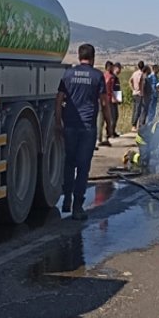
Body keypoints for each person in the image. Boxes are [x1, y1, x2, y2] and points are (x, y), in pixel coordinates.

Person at [56, 43, 108, 220]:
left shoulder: (68, 74)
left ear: (79, 56)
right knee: (83, 167)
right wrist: (108, 124)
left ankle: (66, 200)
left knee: (69, 163)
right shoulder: (97, 76)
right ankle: (78, 206)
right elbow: (104, 102)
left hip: (69, 126)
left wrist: (58, 122)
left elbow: (59, 99)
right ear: (93, 58)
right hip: (88, 128)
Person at [99, 61, 115, 147]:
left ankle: (101, 138)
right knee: (108, 119)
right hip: (107, 99)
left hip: (102, 99)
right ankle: (105, 137)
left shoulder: (103, 76)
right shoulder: (109, 77)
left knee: (101, 119)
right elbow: (109, 89)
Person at [130, 61, 147, 130]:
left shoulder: (135, 73)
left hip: (134, 93)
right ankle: (134, 125)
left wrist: (133, 88)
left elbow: (130, 80)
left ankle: (133, 124)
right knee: (138, 109)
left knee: (135, 109)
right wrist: (140, 89)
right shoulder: (141, 74)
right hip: (139, 94)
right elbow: (140, 81)